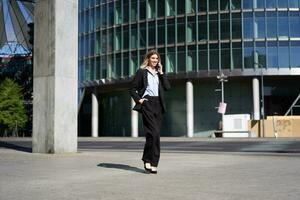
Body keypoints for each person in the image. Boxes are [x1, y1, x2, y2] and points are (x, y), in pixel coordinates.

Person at [129, 50, 171, 174]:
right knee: (154, 132)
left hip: (158, 104)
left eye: (156, 59)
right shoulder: (141, 72)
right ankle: (148, 160)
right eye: (153, 58)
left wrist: (162, 73)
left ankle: (152, 162)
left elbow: (168, 87)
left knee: (154, 135)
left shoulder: (159, 73)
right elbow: (132, 89)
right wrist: (139, 100)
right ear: (148, 59)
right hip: (147, 103)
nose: (155, 61)